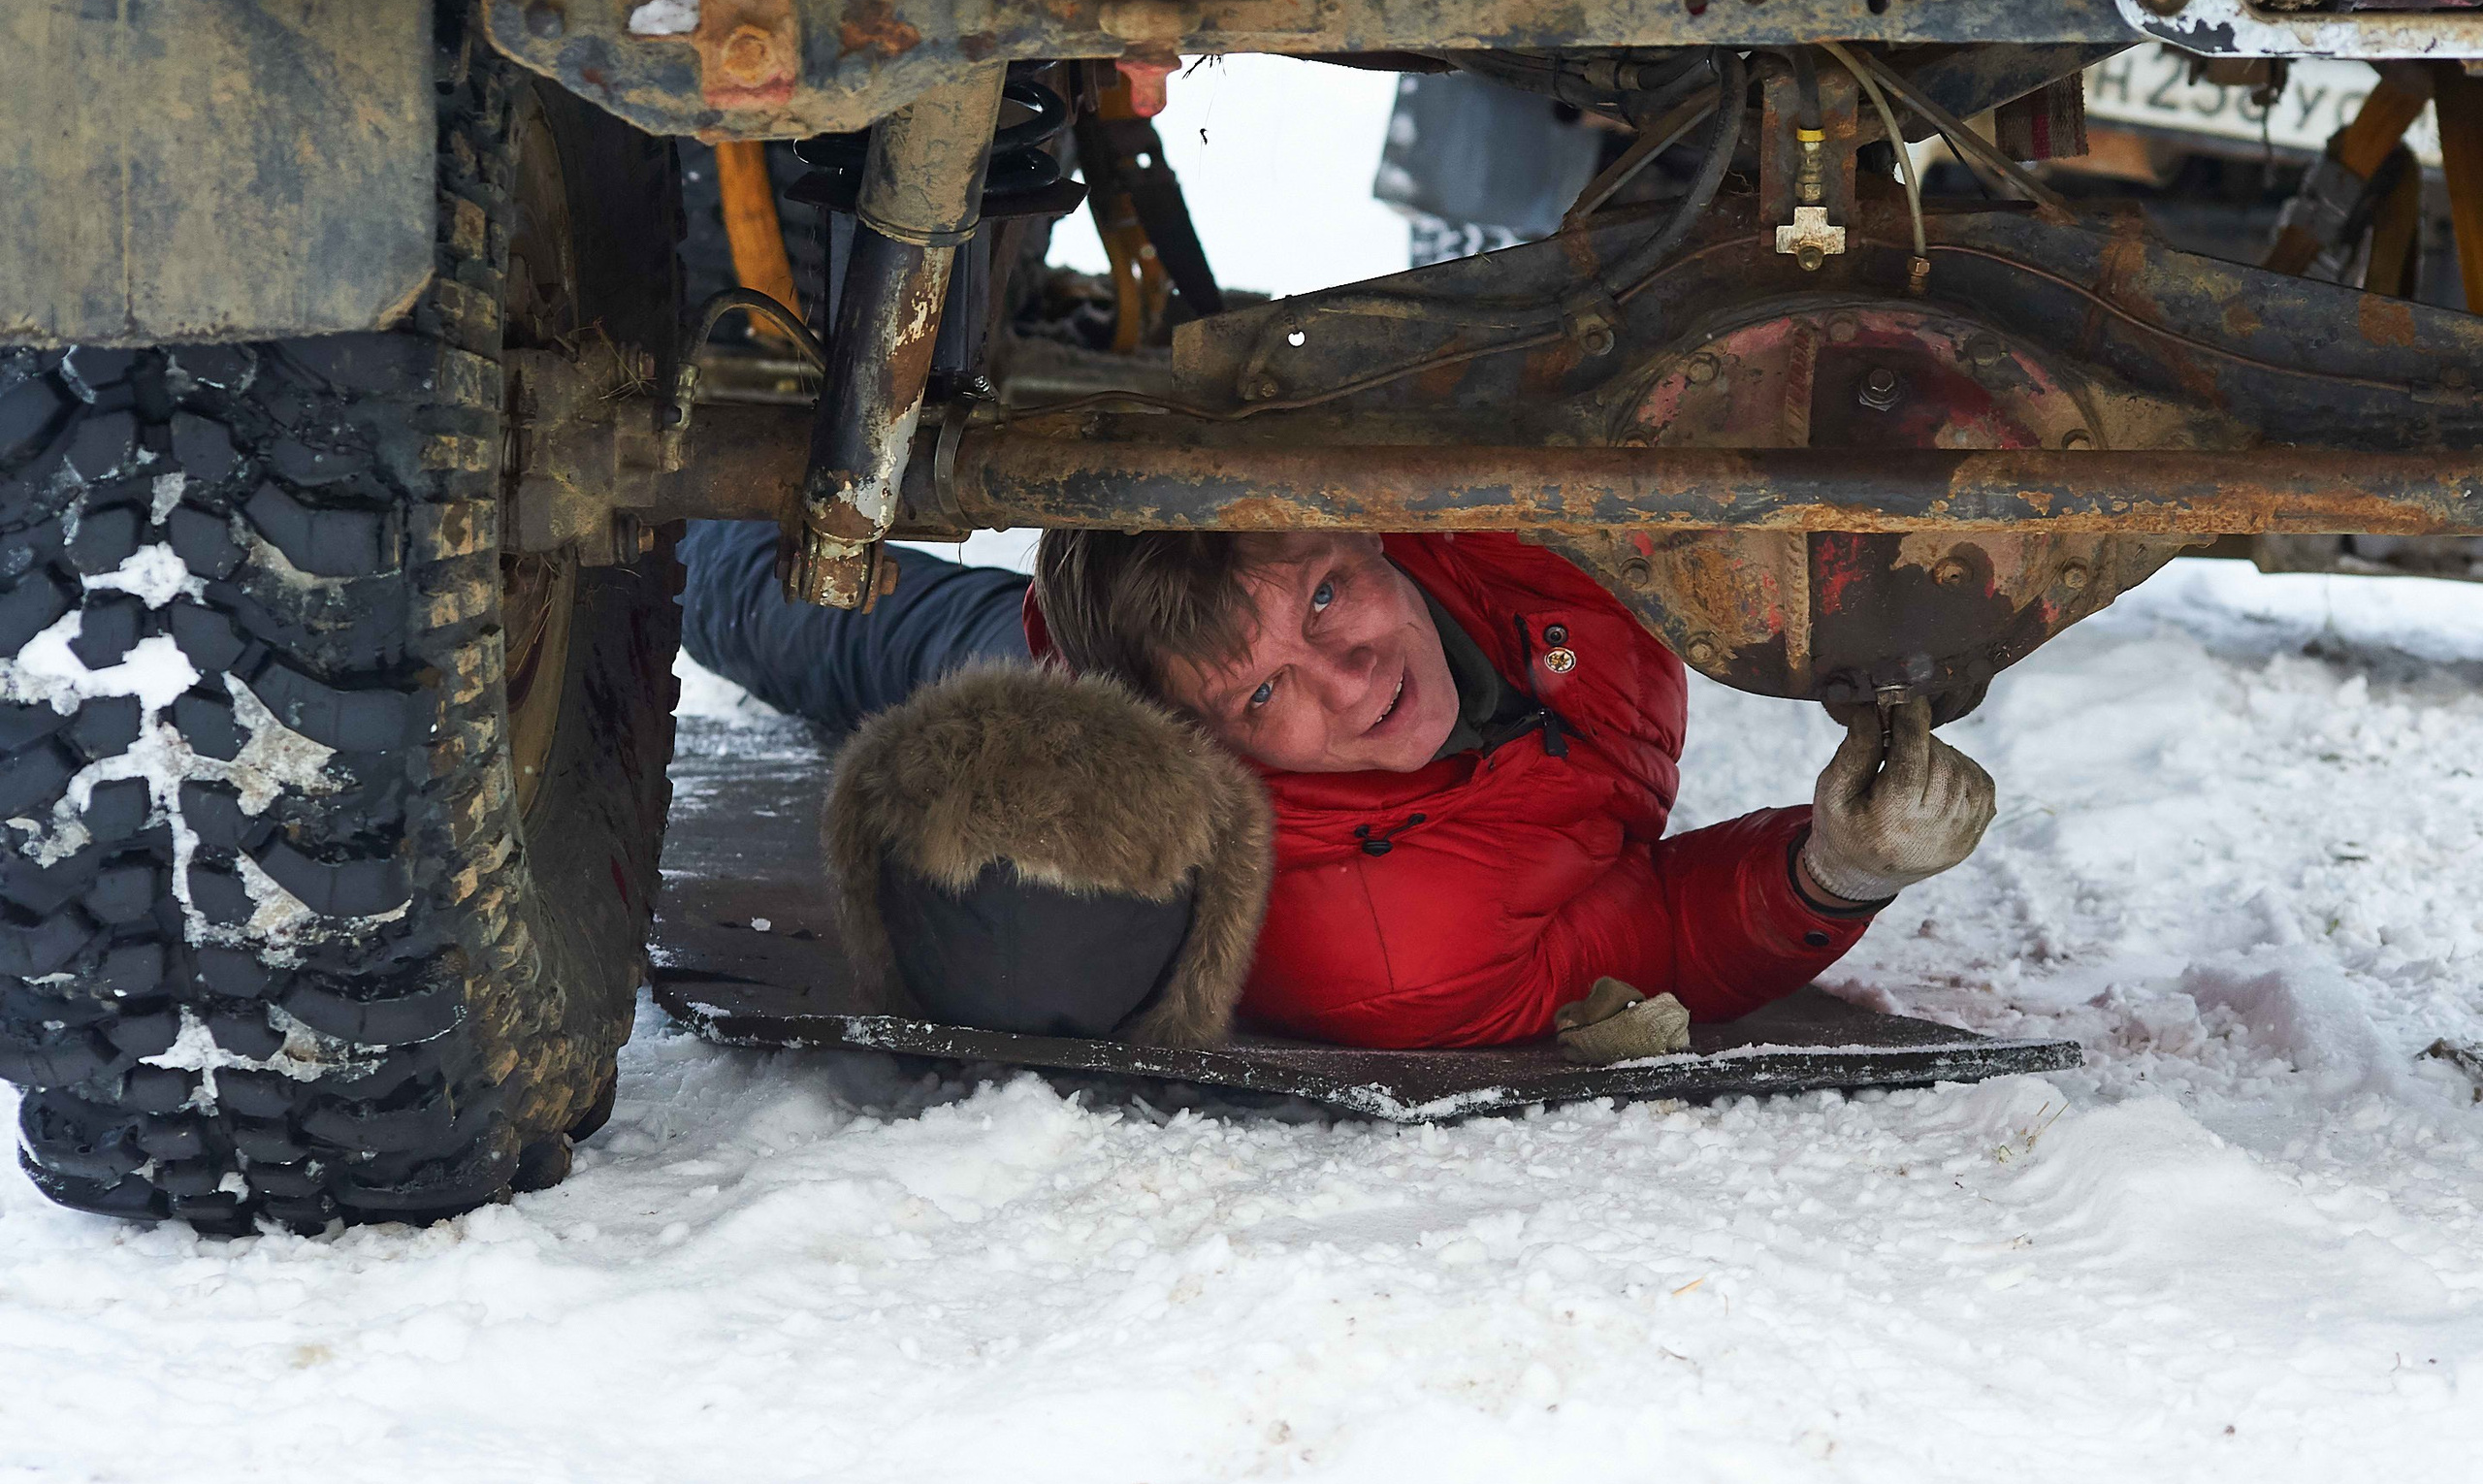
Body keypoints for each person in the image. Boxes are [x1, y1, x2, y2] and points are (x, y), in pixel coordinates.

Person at [677, 521, 1995, 1050]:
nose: (1347, 675)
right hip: (1048, 699)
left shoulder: (1509, 530)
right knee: (844, 625)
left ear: (1368, 528)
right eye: (1265, 696)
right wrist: (1836, 875)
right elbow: (1653, 934)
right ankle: (691, 548)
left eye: (1327, 593)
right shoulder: (1394, 950)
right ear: (1213, 749)